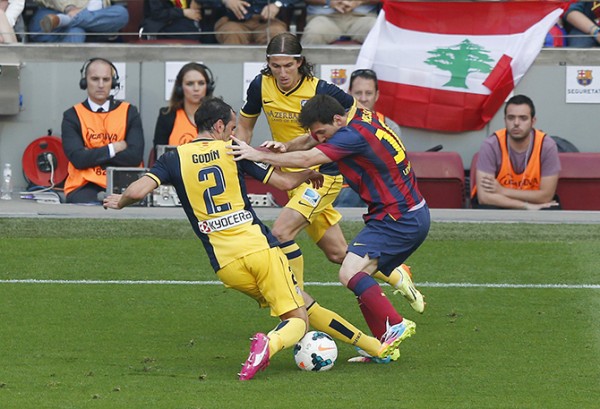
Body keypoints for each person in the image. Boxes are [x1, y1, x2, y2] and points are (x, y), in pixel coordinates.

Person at [102, 97, 392, 379]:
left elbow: (138, 191)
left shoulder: (172, 159)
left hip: (226, 266)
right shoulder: (233, 151)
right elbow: (285, 182)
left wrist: (120, 202)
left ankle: (377, 348)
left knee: (305, 304)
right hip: (260, 251)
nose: (234, 133)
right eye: (231, 127)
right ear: (218, 126)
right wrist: (307, 174)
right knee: (297, 320)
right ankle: (270, 344)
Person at [236, 33, 418, 326]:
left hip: (322, 176)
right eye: (275, 66)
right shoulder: (260, 85)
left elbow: (358, 121)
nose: (282, 73)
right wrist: (241, 153)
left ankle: (295, 309)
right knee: (338, 254)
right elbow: (245, 125)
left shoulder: (323, 90)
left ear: (300, 63)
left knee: (281, 233)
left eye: (287, 66)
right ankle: (396, 272)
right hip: (290, 168)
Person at [229, 94, 429, 360]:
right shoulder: (356, 120)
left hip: (397, 217)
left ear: (337, 119)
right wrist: (282, 148)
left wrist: (255, 154)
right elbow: (311, 140)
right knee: (358, 273)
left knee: (348, 272)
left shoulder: (349, 137)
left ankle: (395, 323)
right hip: (403, 213)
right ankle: (384, 348)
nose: (321, 139)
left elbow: (306, 158)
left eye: (322, 133)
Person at [62, 58, 145, 204]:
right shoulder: (72, 115)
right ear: (84, 82)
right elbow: (78, 159)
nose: (101, 85)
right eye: (95, 79)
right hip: (83, 187)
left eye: (106, 79)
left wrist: (92, 154)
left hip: (125, 183)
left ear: (113, 83)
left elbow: (134, 157)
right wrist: (115, 148)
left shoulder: (129, 112)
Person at [471, 95, 561, 210]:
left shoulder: (546, 145)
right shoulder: (491, 144)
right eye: (511, 118)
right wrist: (526, 206)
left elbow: (546, 196)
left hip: (529, 200)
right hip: (502, 204)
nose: (516, 123)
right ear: (505, 120)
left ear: (533, 121)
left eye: (523, 118)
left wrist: (502, 190)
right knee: (486, 208)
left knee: (551, 208)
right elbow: (484, 197)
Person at [334, 68, 401, 208]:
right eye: (358, 93)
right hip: (340, 190)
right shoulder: (335, 124)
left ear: (376, 95)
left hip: (377, 191)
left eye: (368, 93)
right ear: (349, 93)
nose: (363, 98)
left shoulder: (389, 127)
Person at [152, 62, 215, 154]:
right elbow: (160, 155)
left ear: (208, 87)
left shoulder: (218, 116)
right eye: (190, 84)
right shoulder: (167, 116)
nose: (196, 88)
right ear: (180, 88)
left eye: (201, 83)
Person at [29, 0, 128, 43]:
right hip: (54, 24)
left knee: (122, 13)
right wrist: (69, 8)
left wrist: (75, 16)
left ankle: (68, 20)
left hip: (94, 26)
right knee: (76, 32)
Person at [300, 0, 378, 46]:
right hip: (325, 17)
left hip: (363, 17)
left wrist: (359, 1)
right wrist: (328, 1)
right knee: (314, 32)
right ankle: (308, 73)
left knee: (377, 32)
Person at [211, 0, 289, 44]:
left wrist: (278, 4)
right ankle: (233, 70)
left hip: (269, 21)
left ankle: (272, 71)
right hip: (233, 20)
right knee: (231, 32)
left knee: (276, 34)